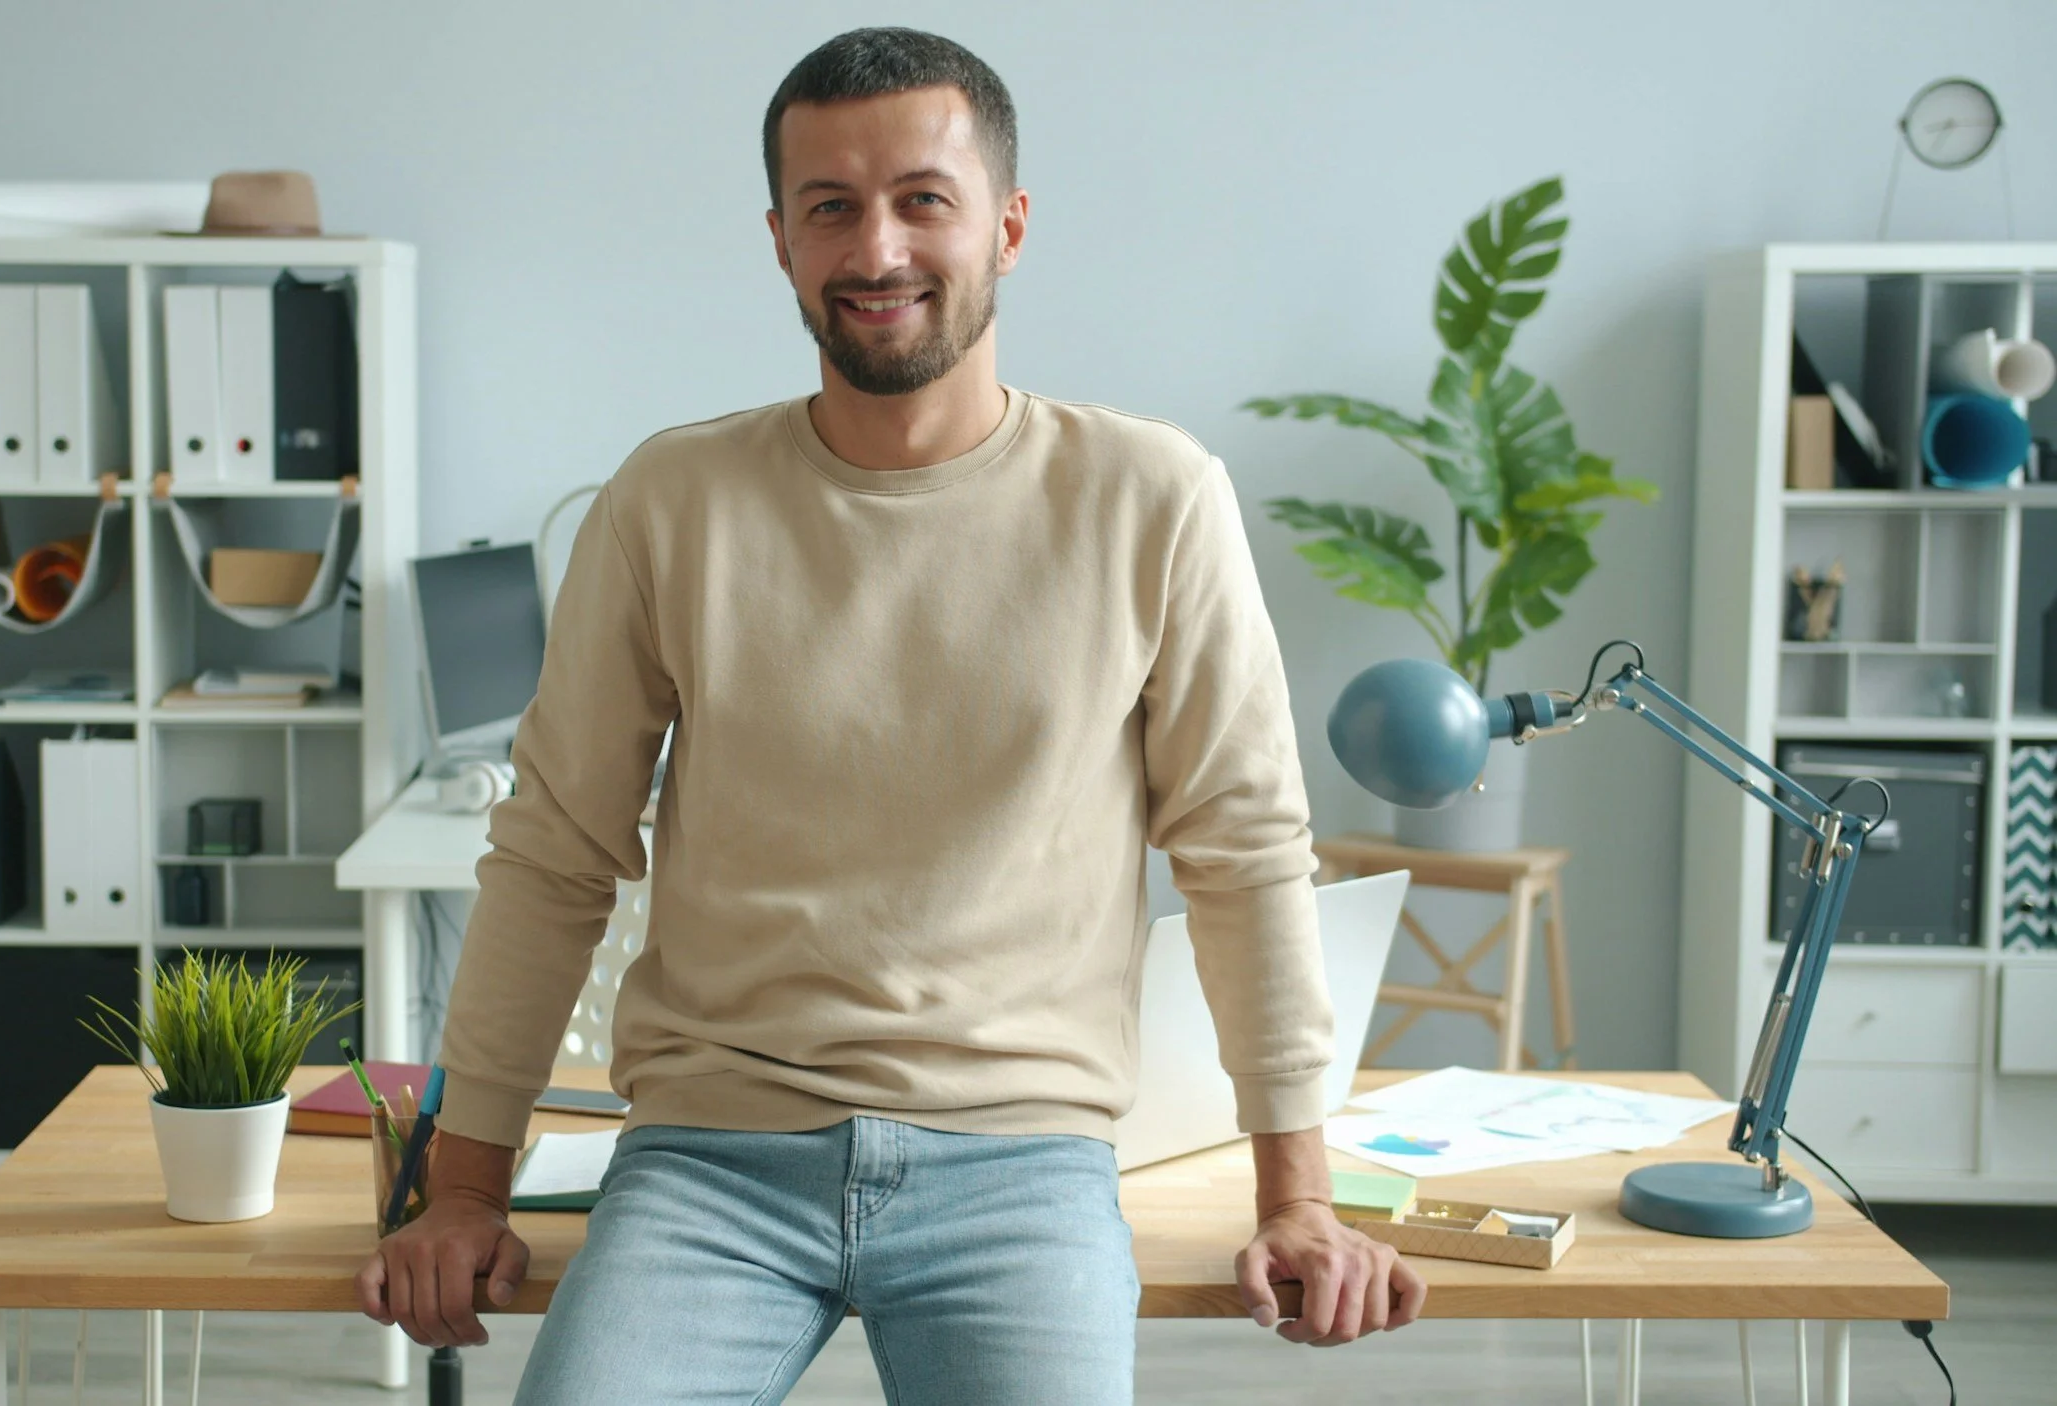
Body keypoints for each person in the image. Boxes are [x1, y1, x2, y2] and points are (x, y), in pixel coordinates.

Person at [358, 26, 1426, 1402]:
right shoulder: (669, 503)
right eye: (831, 208)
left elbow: (1245, 849)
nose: (878, 251)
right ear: (782, 240)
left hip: (1023, 1163)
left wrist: (1300, 1192)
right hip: (709, 1159)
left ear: (1009, 226)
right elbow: (555, 850)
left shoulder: (1152, 497)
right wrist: (461, 1187)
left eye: (924, 199)